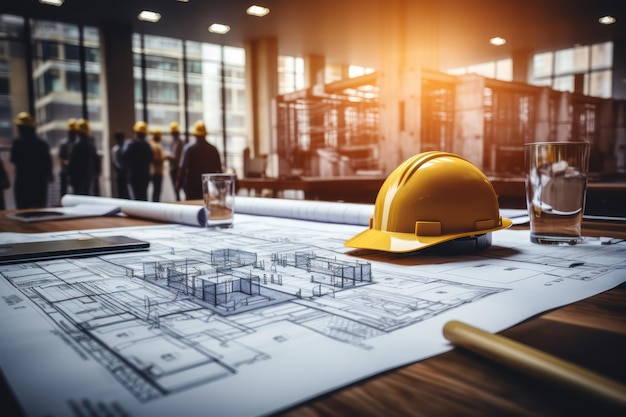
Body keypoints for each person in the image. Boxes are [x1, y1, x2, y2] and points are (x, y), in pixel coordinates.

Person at [10, 111, 53, 209]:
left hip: (23, 182)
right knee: (40, 211)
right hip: (40, 182)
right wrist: (49, 175)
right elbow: (48, 162)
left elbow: (13, 159)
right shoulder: (43, 144)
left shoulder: (18, 143)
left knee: (22, 213)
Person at [176, 120, 222, 200]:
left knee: (192, 209)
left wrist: (178, 184)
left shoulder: (189, 149)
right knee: (206, 207)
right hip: (208, 185)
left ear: (195, 135)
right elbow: (219, 170)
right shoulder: (213, 150)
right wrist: (220, 186)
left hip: (191, 186)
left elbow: (182, 168)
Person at [123, 121, 153, 201]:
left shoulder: (130, 144)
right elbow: (151, 159)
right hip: (144, 175)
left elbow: (124, 158)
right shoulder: (147, 146)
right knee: (143, 198)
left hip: (133, 175)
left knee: (135, 199)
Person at [68, 119, 99, 195]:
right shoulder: (91, 145)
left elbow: (72, 163)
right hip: (89, 175)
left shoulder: (76, 145)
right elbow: (96, 161)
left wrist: (70, 176)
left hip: (78, 177)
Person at [58, 118, 78, 198]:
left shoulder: (78, 144)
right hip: (66, 170)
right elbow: (61, 158)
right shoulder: (64, 144)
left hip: (76, 171)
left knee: (77, 192)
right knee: (64, 192)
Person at [167, 121, 184, 200]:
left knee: (178, 188)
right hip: (174, 168)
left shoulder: (179, 143)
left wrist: (167, 157)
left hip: (177, 169)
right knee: (176, 190)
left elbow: (177, 157)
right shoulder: (174, 142)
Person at [111, 131, 129, 199]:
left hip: (126, 172)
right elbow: (114, 162)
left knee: (126, 190)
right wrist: (120, 170)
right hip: (120, 172)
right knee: (121, 190)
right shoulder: (115, 149)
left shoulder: (126, 148)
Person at [150, 128, 165, 202]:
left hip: (157, 171)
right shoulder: (155, 146)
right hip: (156, 172)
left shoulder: (156, 145)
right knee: (157, 191)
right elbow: (155, 160)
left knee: (157, 191)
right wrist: (164, 158)